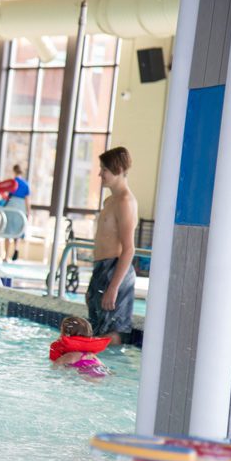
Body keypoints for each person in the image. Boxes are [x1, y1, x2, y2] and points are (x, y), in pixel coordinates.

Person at [86, 147, 138, 346]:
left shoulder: (125, 202)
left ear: (117, 169)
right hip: (102, 270)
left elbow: (129, 248)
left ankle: (109, 374)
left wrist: (113, 287)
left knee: (112, 332)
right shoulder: (110, 200)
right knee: (97, 327)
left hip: (115, 270)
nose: (100, 174)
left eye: (104, 169)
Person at [3, 164, 31, 262]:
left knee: (8, 231)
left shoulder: (13, 182)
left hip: (11, 206)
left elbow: (7, 196)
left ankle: (6, 256)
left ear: (14, 171)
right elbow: (28, 200)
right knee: (18, 230)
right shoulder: (26, 184)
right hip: (21, 207)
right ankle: (16, 249)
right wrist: (28, 213)